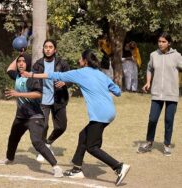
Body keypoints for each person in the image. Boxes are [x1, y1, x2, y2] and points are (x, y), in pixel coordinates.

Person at [21, 49, 130, 186]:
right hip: (110, 112)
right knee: (83, 135)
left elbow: (54, 74)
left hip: (100, 115)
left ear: (85, 61)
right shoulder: (100, 74)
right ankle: (77, 169)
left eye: (80, 59)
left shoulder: (80, 73)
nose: (79, 61)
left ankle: (118, 167)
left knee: (92, 147)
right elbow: (118, 91)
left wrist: (31, 74)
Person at [0, 53, 63, 178]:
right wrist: (18, 55)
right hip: (21, 116)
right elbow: (9, 69)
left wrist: (18, 95)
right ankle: (9, 159)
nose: (20, 63)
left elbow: (38, 94)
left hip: (35, 116)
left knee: (37, 142)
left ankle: (56, 167)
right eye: (19, 61)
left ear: (28, 63)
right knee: (13, 138)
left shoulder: (32, 77)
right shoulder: (17, 76)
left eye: (23, 61)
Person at [137, 33, 182, 156]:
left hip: (171, 93)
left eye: (163, 41)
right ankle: (149, 142)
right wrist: (148, 82)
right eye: (159, 41)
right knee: (152, 119)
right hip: (157, 93)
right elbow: (149, 68)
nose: (160, 44)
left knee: (169, 120)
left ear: (169, 43)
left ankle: (167, 145)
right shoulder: (153, 55)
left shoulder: (177, 56)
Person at [32, 39, 71, 162]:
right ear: (43, 49)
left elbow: (71, 78)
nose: (48, 49)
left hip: (59, 100)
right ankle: (43, 150)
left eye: (50, 47)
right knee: (43, 126)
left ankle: (48, 143)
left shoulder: (62, 64)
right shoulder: (38, 64)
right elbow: (32, 81)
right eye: (46, 47)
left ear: (55, 49)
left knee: (61, 127)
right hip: (42, 100)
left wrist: (65, 82)